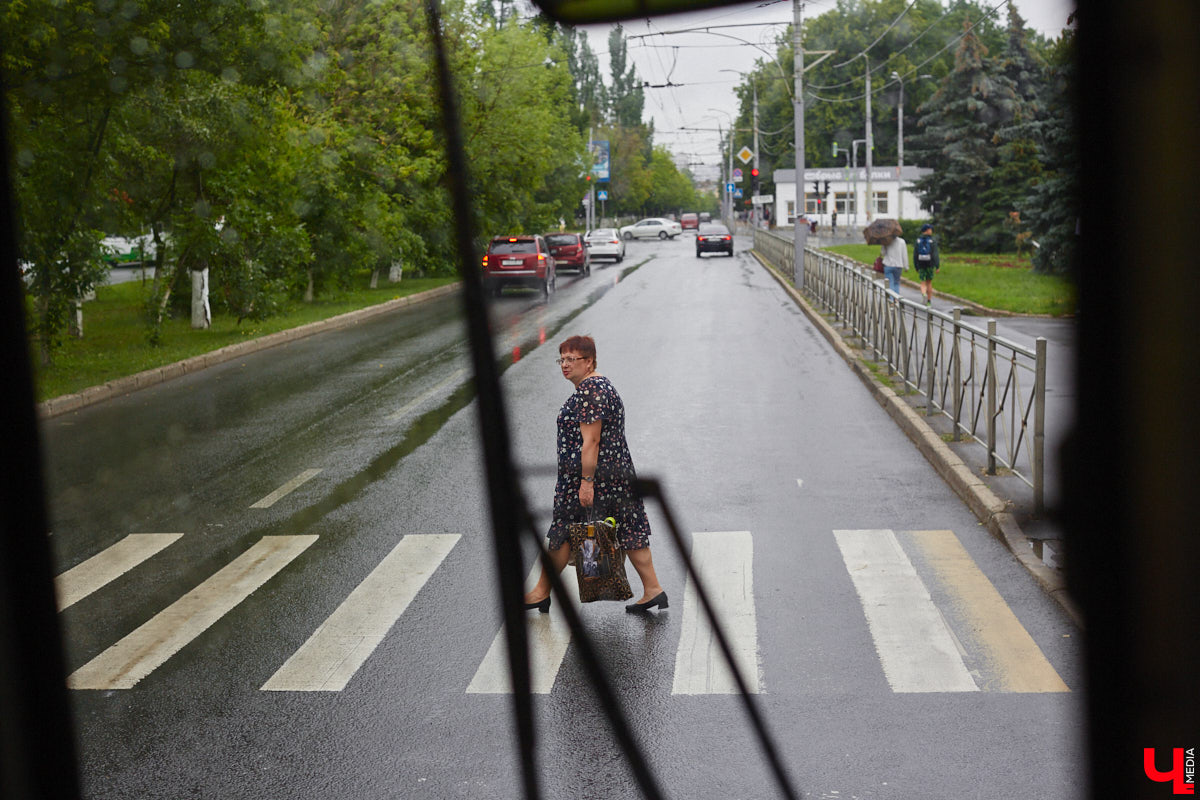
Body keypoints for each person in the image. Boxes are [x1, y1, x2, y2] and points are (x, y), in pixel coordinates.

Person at [523, 335, 667, 614]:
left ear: (589, 362)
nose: (564, 364)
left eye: (571, 359)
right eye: (561, 359)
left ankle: (541, 592)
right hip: (614, 474)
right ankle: (653, 589)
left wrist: (586, 483)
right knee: (627, 528)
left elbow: (591, 441)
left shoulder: (591, 391)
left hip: (594, 477)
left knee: (564, 531)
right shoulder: (598, 386)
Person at [914, 223, 941, 306]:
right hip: (930, 264)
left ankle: (923, 294)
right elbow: (935, 254)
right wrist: (937, 266)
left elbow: (915, 254)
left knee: (922, 282)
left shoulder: (918, 241)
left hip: (921, 263)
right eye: (930, 229)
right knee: (929, 282)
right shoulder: (932, 241)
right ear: (927, 230)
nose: (931, 231)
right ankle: (929, 301)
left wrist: (916, 265)